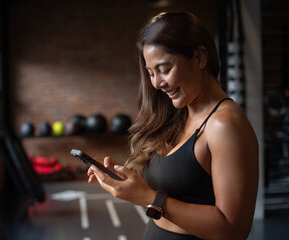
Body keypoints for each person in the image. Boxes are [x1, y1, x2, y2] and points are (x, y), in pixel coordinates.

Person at [88, 11, 258, 240]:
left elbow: (232, 229)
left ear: (199, 57)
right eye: (151, 73)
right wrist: (121, 181)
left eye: (165, 69)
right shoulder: (178, 117)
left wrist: (148, 198)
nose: (157, 83)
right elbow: (176, 193)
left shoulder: (224, 124)